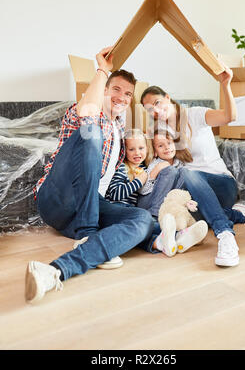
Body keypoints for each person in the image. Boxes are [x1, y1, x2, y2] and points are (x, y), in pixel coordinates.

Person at [25, 47, 154, 304]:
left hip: (90, 204)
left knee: (143, 220)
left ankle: (57, 269)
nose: (121, 97)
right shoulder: (82, 110)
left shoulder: (119, 129)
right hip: (56, 199)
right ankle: (88, 230)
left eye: (127, 94)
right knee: (90, 131)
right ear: (104, 90)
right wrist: (102, 70)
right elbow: (88, 114)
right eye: (116, 89)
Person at [140, 66, 245, 268]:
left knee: (187, 172)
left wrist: (225, 84)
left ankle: (225, 234)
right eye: (150, 110)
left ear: (167, 97)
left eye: (157, 103)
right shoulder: (160, 131)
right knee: (174, 208)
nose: (156, 111)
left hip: (220, 184)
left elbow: (229, 117)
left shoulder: (194, 115)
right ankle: (190, 231)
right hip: (194, 195)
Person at [106, 128, 208, 257]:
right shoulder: (121, 167)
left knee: (138, 231)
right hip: (117, 210)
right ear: (124, 151)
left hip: (133, 211)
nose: (137, 153)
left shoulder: (143, 167)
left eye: (141, 148)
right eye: (131, 149)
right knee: (141, 225)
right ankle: (180, 233)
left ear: (147, 149)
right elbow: (115, 194)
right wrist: (138, 181)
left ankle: (162, 242)